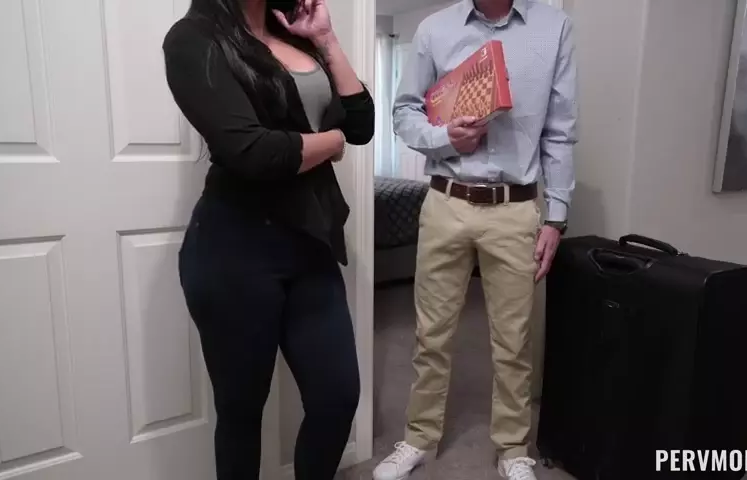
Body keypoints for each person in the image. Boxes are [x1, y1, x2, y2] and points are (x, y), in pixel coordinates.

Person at [162, 0, 374, 478]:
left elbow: (361, 124)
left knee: (337, 397)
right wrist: (332, 142)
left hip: (310, 243)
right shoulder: (194, 39)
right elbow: (253, 152)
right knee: (241, 411)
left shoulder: (294, 34)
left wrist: (326, 40)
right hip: (235, 250)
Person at [373, 0, 577, 479]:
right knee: (431, 333)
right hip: (446, 201)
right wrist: (445, 136)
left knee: (514, 339)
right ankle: (418, 437)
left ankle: (513, 449)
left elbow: (560, 131)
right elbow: (404, 113)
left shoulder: (555, 28)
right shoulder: (434, 29)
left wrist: (556, 218)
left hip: (515, 208)